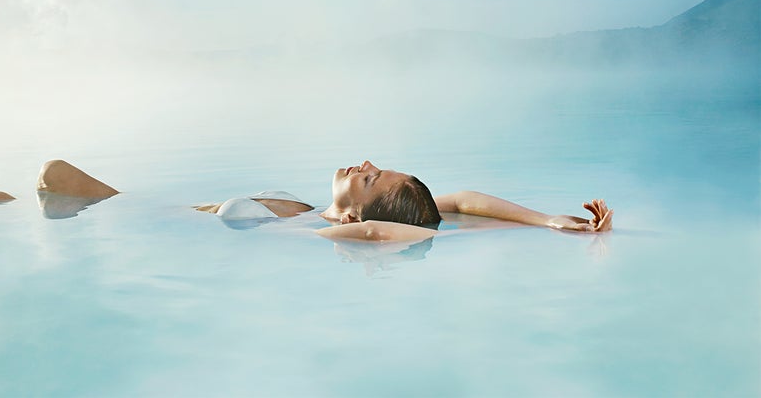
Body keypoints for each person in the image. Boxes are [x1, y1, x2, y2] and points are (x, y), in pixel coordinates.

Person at [198, 160, 613, 242]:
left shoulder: (316, 231)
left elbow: (385, 230)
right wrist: (544, 220)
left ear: (353, 216)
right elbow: (462, 202)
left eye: (370, 178)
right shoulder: (304, 209)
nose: (364, 163)